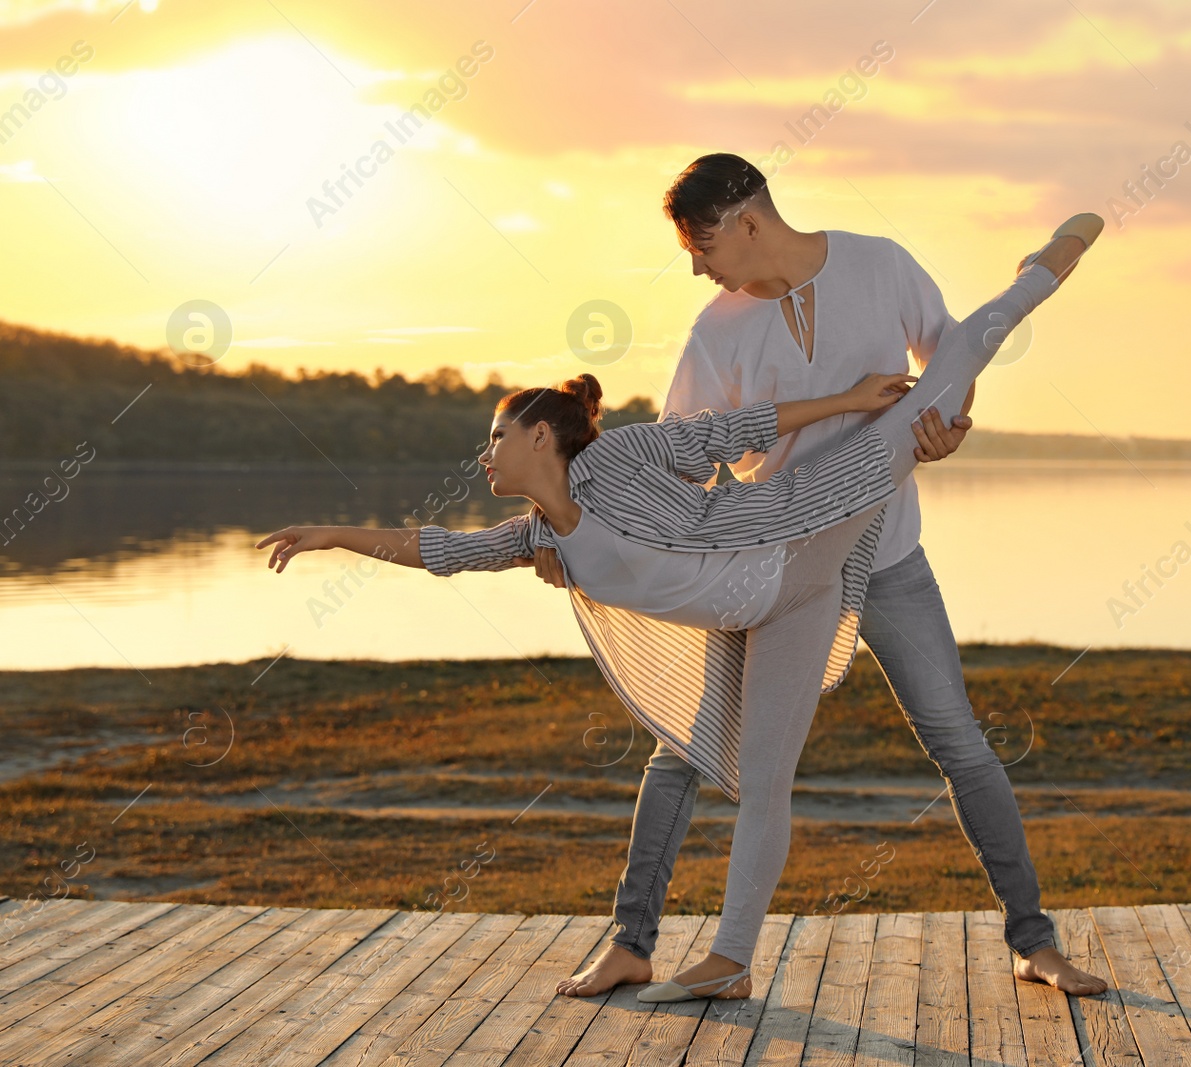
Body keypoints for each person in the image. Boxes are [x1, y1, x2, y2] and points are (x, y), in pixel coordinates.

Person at [255, 212, 1104, 1002]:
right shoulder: (536, 535)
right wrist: (331, 532)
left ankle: (1038, 274)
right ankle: (703, 956)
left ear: (541, 437)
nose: (485, 454)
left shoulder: (623, 454)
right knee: (729, 767)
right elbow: (441, 549)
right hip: (765, 609)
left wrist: (857, 404)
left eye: (496, 437)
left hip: (804, 523)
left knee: (946, 380)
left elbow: (728, 433)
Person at [552, 154, 1107, 1002]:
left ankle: (1035, 942)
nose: (697, 264)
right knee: (683, 751)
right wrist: (587, 542)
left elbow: (950, 358)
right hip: (770, 570)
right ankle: (632, 940)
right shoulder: (718, 329)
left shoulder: (879, 264)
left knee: (958, 741)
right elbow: (680, 463)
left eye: (701, 243)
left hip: (889, 559)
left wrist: (948, 430)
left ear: (747, 220)